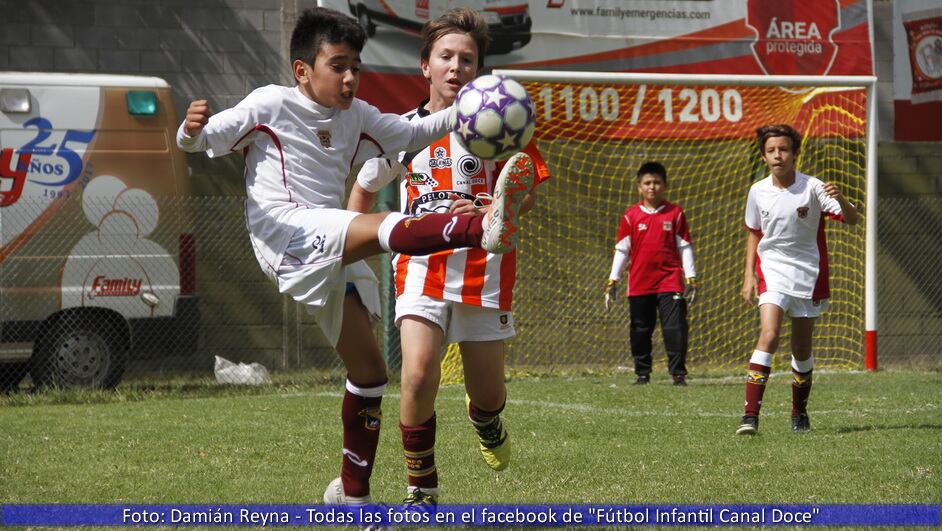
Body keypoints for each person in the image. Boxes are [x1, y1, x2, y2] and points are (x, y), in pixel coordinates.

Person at [176, 6, 536, 505]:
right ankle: (478, 226)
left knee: (370, 373)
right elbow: (204, 140)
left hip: (332, 245)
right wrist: (189, 130)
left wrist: (475, 110)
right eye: (338, 66)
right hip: (286, 232)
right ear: (303, 70)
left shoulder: (359, 116)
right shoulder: (269, 104)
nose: (350, 78)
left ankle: (352, 494)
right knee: (389, 235)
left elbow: (410, 135)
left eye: (356, 68)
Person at [348, 8, 550, 507]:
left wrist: (493, 205)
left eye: (467, 58)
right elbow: (364, 189)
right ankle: (423, 489)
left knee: (489, 394)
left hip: (486, 267)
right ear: (425, 66)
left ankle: (485, 418)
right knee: (417, 373)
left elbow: (526, 191)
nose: (456, 66)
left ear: (478, 69)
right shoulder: (402, 130)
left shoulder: (500, 123)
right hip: (420, 266)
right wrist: (348, 249)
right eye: (446, 57)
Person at [736, 124, 858, 435]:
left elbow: (853, 218)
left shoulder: (814, 187)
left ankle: (798, 411)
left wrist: (841, 198)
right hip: (772, 270)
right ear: (764, 156)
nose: (778, 155)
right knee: (769, 334)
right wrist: (748, 274)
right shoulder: (757, 191)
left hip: (808, 273)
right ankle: (750, 417)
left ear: (795, 153)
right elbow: (754, 233)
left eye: (784, 149)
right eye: (771, 150)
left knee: (801, 349)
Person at [604, 161, 697, 386]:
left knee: (674, 328)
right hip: (639, 282)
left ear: (664, 186)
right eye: (647, 183)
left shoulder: (675, 213)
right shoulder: (630, 216)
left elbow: (684, 246)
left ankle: (678, 374)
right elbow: (622, 249)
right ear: (639, 187)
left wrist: (691, 278)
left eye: (656, 182)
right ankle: (642, 373)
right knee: (640, 329)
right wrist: (612, 280)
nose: (652, 187)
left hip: (670, 281)